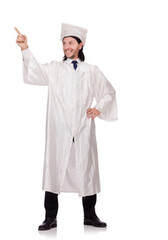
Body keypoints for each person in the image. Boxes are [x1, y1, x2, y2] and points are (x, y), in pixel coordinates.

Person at [16, 23, 118, 231]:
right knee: (54, 169)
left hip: (82, 129)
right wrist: (25, 48)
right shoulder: (55, 69)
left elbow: (109, 92)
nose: (66, 47)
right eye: (64, 43)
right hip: (59, 130)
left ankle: (90, 215)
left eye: (70, 42)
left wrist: (98, 108)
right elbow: (34, 72)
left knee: (87, 170)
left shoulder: (91, 71)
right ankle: (49, 217)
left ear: (80, 45)